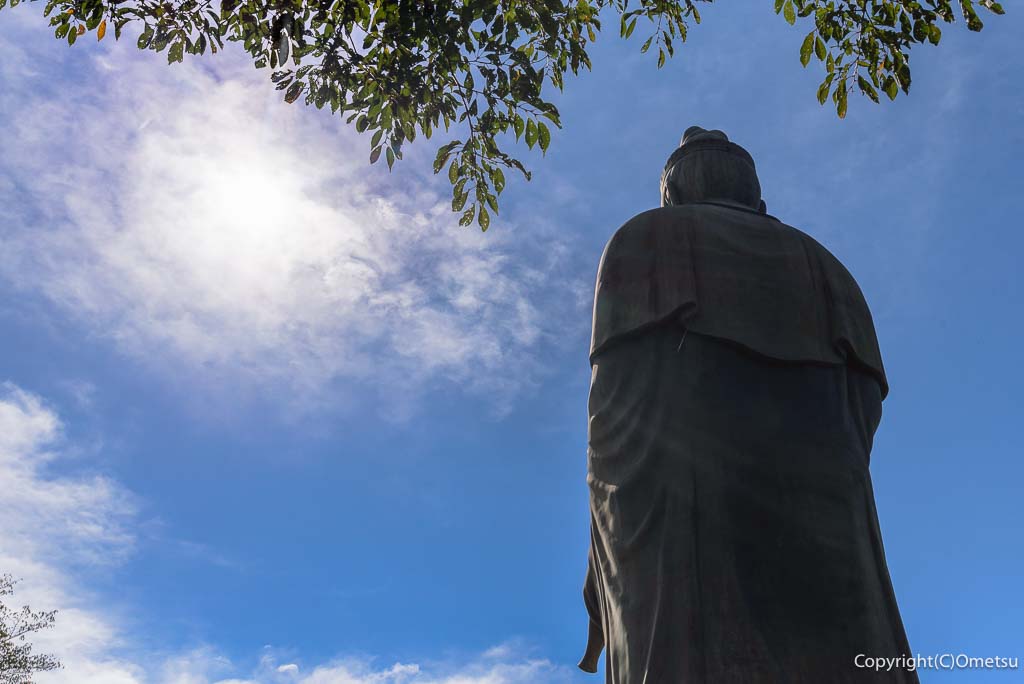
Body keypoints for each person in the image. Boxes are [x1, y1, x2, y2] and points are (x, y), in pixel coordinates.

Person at [579, 127, 918, 683]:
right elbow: (864, 405)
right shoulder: (825, 265)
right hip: (826, 503)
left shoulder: (645, 237)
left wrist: (605, 534)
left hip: (686, 495)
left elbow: (614, 404)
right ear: (756, 199)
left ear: (674, 194)